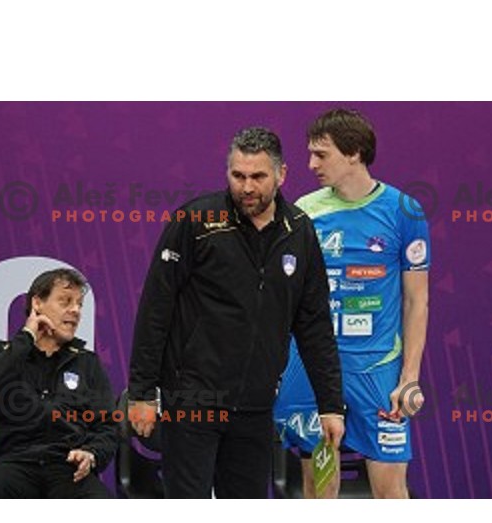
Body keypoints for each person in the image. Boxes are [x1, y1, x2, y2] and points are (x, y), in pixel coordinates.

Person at [127, 127, 345, 499]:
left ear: (281, 175)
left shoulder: (300, 232)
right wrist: (142, 394)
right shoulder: (195, 222)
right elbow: (155, 310)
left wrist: (330, 404)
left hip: (256, 406)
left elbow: (314, 326)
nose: (246, 187)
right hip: (192, 400)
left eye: (258, 176)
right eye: (237, 175)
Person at [274, 108, 430, 499]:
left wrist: (409, 376)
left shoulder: (404, 211)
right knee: (318, 488)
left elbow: (417, 301)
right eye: (310, 153)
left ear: (354, 152)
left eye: (321, 154)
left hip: (376, 368)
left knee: (391, 491)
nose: (311, 164)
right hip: (311, 366)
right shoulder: (303, 211)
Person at [0, 268, 117, 498]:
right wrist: (27, 337)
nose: (75, 311)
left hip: (67, 469)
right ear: (37, 303)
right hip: (12, 464)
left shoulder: (87, 363)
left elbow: (108, 426)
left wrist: (91, 453)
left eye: (79, 304)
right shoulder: (1, 352)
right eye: (65, 301)